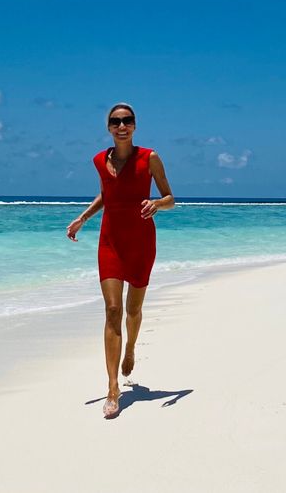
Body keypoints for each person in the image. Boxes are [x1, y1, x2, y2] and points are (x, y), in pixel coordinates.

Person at [66, 103, 175, 418]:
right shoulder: (100, 161)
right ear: (109, 127)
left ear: (135, 125)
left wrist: (157, 203)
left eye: (127, 120)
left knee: (133, 309)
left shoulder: (149, 158)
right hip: (110, 241)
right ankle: (113, 388)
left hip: (141, 242)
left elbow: (171, 198)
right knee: (113, 310)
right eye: (116, 121)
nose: (122, 125)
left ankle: (130, 349)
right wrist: (82, 219)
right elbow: (107, 194)